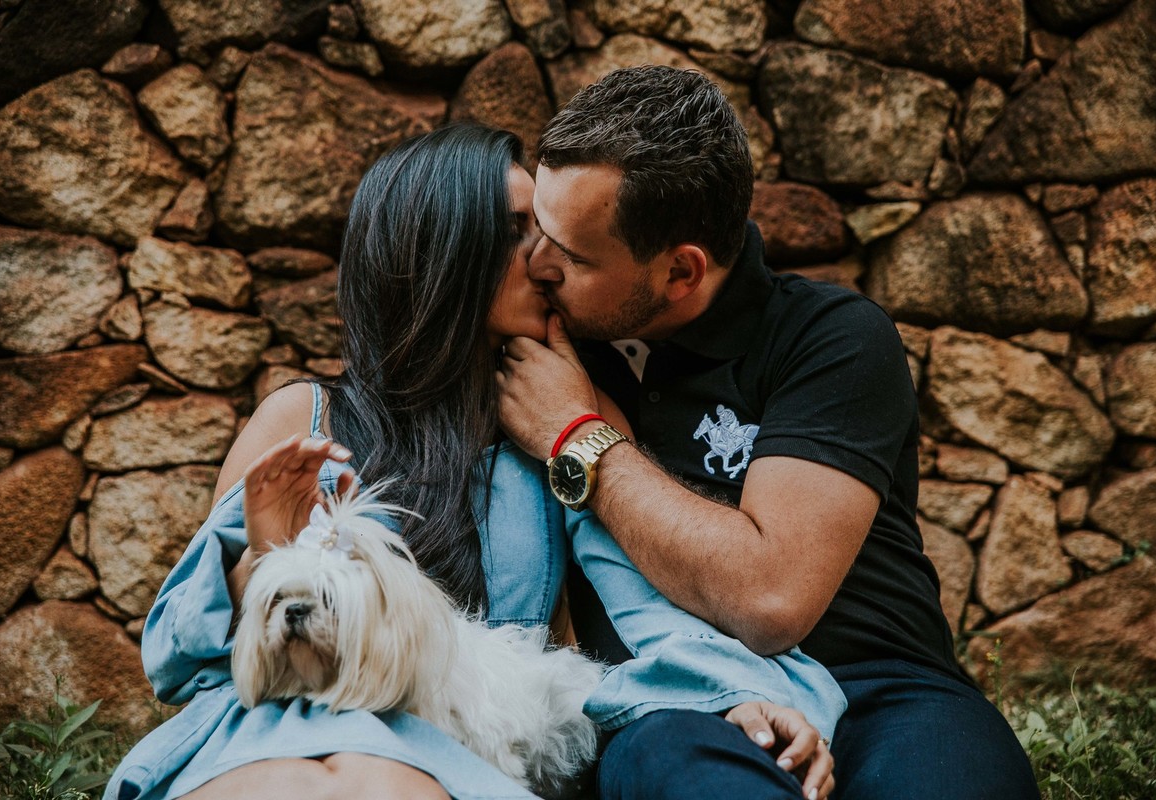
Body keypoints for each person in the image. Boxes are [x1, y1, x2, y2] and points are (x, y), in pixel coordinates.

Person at [104, 123, 842, 800]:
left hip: (457, 738)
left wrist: (738, 696)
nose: (547, 260)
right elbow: (177, 658)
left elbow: (644, 606)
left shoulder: (563, 419)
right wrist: (263, 554)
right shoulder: (304, 419)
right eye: (518, 231)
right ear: (442, 252)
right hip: (278, 724)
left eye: (546, 231)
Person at [495, 66, 1040, 800]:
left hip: (879, 689)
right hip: (677, 702)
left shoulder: (831, 337)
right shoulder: (543, 348)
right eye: (538, 229)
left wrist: (577, 436)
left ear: (680, 272)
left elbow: (772, 600)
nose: (537, 263)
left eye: (574, 254)